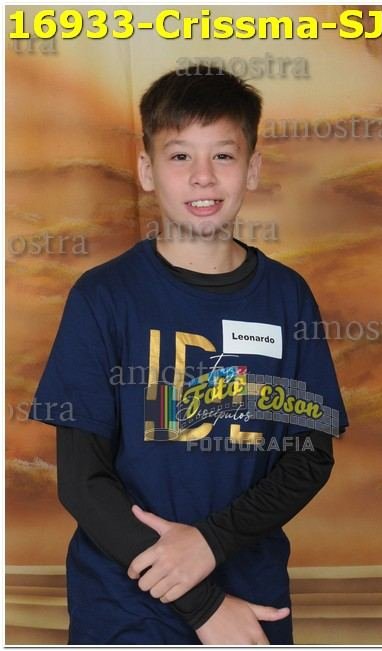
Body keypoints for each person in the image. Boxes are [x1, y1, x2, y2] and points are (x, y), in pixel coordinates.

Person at [28, 66, 349, 645]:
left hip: (251, 599)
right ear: (147, 170)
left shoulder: (287, 297)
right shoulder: (102, 297)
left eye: (223, 155)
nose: (203, 176)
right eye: (180, 156)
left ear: (253, 167)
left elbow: (307, 458)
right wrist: (202, 605)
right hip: (124, 606)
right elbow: (82, 482)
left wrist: (210, 543)